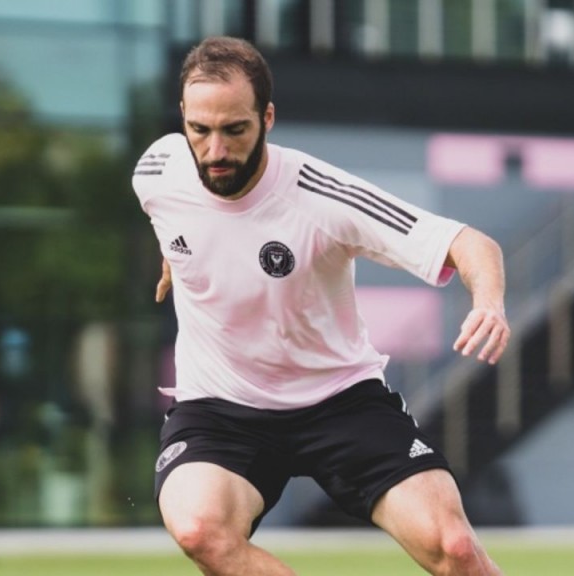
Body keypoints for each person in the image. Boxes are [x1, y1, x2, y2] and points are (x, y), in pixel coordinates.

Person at [132, 36, 509, 576]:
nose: (215, 151)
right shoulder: (157, 169)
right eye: (200, 130)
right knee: (200, 531)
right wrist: (174, 256)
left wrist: (489, 303)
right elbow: (173, 216)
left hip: (339, 401)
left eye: (234, 130)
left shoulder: (322, 197)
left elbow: (470, 243)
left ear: (267, 118)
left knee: (454, 549)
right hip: (220, 407)